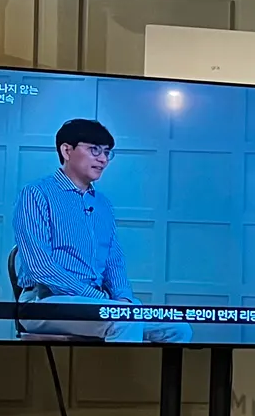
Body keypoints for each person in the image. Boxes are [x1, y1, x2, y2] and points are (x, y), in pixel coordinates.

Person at [12, 118, 189, 344]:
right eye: (94, 150)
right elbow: (40, 267)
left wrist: (123, 300)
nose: (103, 159)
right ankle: (117, 368)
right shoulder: (36, 194)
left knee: (177, 328)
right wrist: (101, 300)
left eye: (106, 152)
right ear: (66, 150)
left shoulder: (103, 204)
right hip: (45, 302)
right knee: (124, 320)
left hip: (97, 303)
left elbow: (114, 262)